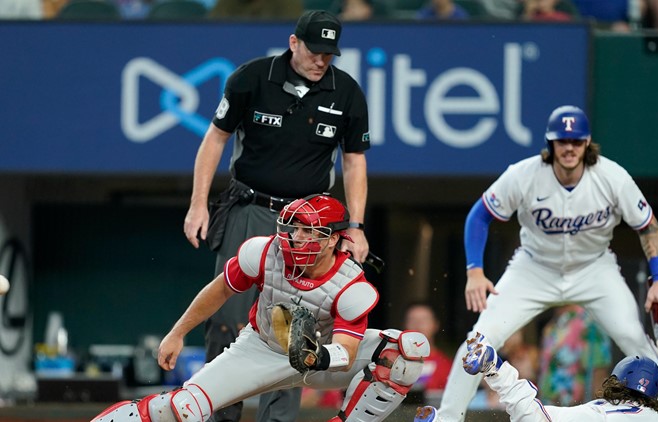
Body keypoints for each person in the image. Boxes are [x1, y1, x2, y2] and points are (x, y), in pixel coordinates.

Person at [430, 104, 658, 421]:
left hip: (594, 268)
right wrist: (474, 271)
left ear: (587, 142)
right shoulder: (524, 174)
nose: (569, 148)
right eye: (562, 141)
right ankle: (446, 418)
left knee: (635, 338)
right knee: (480, 338)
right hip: (535, 267)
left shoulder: (611, 176)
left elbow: (648, 226)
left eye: (576, 141)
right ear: (550, 143)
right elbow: (479, 215)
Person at [182, 9, 371, 422]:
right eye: (315, 51)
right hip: (251, 207)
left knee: (295, 330)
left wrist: (355, 226)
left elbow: (354, 161)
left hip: (310, 225)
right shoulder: (251, 78)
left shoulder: (348, 93)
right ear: (293, 43)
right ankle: (218, 414)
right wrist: (199, 202)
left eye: (329, 54)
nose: (322, 60)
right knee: (227, 320)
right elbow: (215, 138)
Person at [92, 195, 429, 422]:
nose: (296, 238)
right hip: (261, 349)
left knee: (406, 350)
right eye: (293, 228)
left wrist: (315, 355)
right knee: (181, 407)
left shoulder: (351, 284)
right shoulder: (264, 252)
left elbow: (349, 350)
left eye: (309, 231)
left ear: (333, 239)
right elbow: (221, 289)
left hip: (321, 358)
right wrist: (177, 333)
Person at [415, 333, 658, 421]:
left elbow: (538, 417)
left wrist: (498, 372)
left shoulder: (607, 413)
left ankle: (494, 366)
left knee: (534, 415)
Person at [538, 304, 612, 406]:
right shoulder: (553, 324)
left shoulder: (587, 323)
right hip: (548, 412)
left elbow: (598, 376)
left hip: (574, 413)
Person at [404, 301, 453, 402]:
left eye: (424, 320)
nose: (418, 325)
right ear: (405, 325)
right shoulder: (392, 362)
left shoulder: (447, 365)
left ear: (435, 325)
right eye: (413, 320)